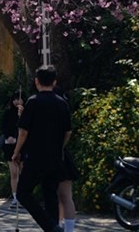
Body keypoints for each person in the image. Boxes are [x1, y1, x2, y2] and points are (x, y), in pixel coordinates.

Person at [12, 65, 71, 232]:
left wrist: (16, 152)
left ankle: (50, 226)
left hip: (35, 156)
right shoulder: (62, 103)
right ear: (54, 81)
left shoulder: (33, 101)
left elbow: (23, 132)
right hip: (55, 156)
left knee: (23, 193)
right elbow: (68, 132)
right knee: (50, 195)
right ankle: (52, 227)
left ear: (36, 81)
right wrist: (60, 146)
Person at [54, 86, 79, 232]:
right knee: (65, 196)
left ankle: (63, 227)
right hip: (62, 155)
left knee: (60, 196)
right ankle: (64, 227)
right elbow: (68, 133)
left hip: (56, 157)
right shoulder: (63, 109)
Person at [1, 89, 23, 208]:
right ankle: (15, 197)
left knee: (23, 172)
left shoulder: (27, 112)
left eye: (19, 99)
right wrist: (9, 137)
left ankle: (23, 196)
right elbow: (4, 126)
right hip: (10, 145)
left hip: (24, 146)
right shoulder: (8, 112)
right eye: (15, 99)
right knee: (14, 173)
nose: (16, 101)